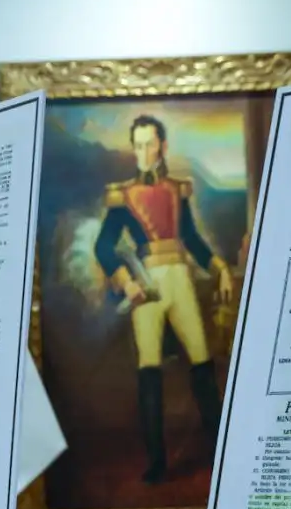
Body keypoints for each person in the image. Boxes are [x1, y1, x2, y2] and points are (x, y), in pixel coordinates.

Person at [93, 114, 236, 483]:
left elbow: (191, 238)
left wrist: (219, 266)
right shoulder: (121, 195)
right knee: (149, 370)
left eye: (148, 144)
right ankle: (157, 462)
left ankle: (222, 453)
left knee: (203, 364)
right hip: (147, 288)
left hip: (181, 282)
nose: (142, 152)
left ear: (162, 146)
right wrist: (127, 283)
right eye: (137, 145)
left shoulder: (177, 189)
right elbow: (103, 246)